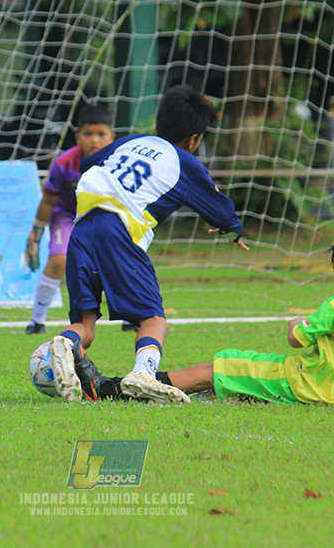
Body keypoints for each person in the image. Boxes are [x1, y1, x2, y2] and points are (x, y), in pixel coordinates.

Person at [75, 230, 334, 405]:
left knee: (211, 368)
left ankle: (106, 389)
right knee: (237, 373)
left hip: (300, 385)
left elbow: (297, 339)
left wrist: (295, 324)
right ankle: (240, 398)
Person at [49, 85, 248, 404]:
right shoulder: (186, 163)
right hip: (119, 231)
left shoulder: (131, 141)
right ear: (195, 139)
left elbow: (89, 164)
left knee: (84, 324)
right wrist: (232, 232)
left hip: (82, 227)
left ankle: (63, 343)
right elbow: (222, 212)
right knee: (155, 320)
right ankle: (143, 373)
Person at [25, 105, 137, 335]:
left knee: (120, 262)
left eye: (101, 134)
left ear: (111, 137)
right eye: (88, 134)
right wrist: (34, 237)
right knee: (58, 260)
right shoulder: (64, 162)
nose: (94, 140)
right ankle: (37, 322)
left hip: (105, 216)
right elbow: (48, 201)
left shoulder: (120, 163)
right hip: (68, 215)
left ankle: (131, 316)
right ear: (78, 137)